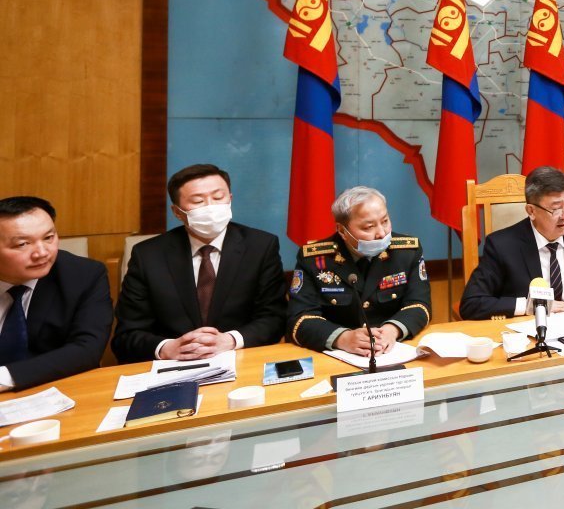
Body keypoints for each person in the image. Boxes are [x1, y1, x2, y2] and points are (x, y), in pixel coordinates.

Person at [112, 164, 287, 363]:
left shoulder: (260, 246)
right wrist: (167, 348)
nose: (210, 207)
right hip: (172, 367)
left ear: (230, 199)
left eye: (218, 197)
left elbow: (274, 318)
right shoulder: (148, 255)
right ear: (177, 212)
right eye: (198, 201)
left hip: (241, 361)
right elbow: (127, 335)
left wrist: (231, 340)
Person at [460, 166, 564, 320]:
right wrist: (529, 306)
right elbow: (471, 303)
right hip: (526, 331)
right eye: (556, 209)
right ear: (531, 211)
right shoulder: (502, 246)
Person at [288, 186, 431, 354]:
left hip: (391, 350)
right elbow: (299, 318)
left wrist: (392, 330)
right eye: (368, 227)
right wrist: (342, 338)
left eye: (385, 221)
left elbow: (419, 304)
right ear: (342, 230)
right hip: (337, 355)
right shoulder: (314, 259)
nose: (381, 233)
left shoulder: (407, 252)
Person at [0, 196, 112, 392]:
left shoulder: (83, 275)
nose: (42, 253)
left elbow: (86, 349)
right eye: (22, 244)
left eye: (48, 238)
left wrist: (5, 378)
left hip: (55, 390)